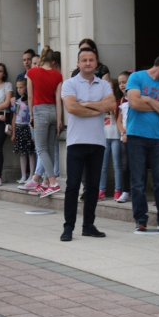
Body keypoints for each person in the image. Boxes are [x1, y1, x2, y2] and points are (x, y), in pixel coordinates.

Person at [60, 47, 115, 242]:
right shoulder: (69, 84)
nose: (88, 63)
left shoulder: (104, 85)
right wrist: (96, 107)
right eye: (84, 60)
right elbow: (71, 107)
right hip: (76, 142)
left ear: (96, 63)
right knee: (73, 186)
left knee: (92, 187)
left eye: (91, 60)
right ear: (78, 63)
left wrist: (84, 104)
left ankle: (88, 226)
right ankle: (68, 228)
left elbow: (110, 105)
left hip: (98, 142)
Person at [126, 52, 159, 233]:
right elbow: (133, 102)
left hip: (157, 137)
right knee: (138, 181)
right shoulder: (136, 77)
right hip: (136, 136)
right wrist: (157, 105)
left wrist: (148, 98)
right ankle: (140, 219)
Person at [24, 45, 63, 198]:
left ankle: (53, 182)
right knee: (50, 147)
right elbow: (58, 100)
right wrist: (59, 119)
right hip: (54, 111)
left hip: (40, 111)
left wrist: (31, 115)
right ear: (53, 62)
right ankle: (46, 182)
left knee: (41, 148)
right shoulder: (58, 75)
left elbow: (30, 96)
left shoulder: (32, 72)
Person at [98, 79, 123, 201]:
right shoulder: (101, 101)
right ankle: (101, 190)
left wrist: (113, 111)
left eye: (112, 87)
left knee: (117, 165)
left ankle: (118, 190)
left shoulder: (119, 101)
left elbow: (120, 119)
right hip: (104, 136)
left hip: (116, 136)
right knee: (102, 165)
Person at [11, 78, 35, 183]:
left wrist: (32, 132)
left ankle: (32, 175)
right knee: (22, 153)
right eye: (18, 88)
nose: (19, 90)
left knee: (30, 152)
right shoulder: (17, 102)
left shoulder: (30, 101)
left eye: (21, 87)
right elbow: (14, 116)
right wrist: (14, 133)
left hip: (28, 127)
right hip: (19, 127)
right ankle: (23, 175)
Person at [116, 71, 132, 203]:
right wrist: (123, 132)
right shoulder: (121, 100)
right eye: (120, 83)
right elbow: (118, 120)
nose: (122, 85)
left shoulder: (136, 98)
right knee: (125, 165)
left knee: (138, 165)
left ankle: (139, 190)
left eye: (124, 82)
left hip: (136, 136)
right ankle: (125, 190)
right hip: (125, 137)